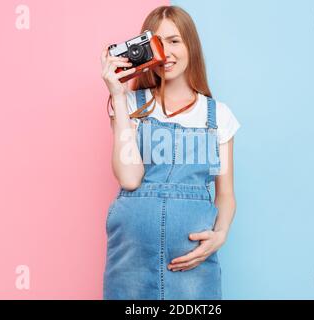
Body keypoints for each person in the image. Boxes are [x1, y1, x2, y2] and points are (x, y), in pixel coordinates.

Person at [100, 5, 240, 300]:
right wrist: (116, 93)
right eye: (157, 44)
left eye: (175, 41)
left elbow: (225, 194)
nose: (167, 53)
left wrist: (220, 235)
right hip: (131, 260)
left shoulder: (219, 116)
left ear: (191, 45)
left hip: (193, 263)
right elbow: (129, 177)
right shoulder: (127, 105)